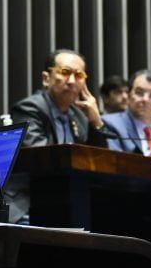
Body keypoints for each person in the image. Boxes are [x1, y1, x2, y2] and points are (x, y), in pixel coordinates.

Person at [6, 49, 116, 222]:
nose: (71, 81)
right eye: (64, 72)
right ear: (46, 78)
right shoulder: (28, 108)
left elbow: (100, 161)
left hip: (67, 199)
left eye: (78, 75)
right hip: (30, 199)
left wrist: (96, 121)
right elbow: (40, 157)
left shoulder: (80, 115)